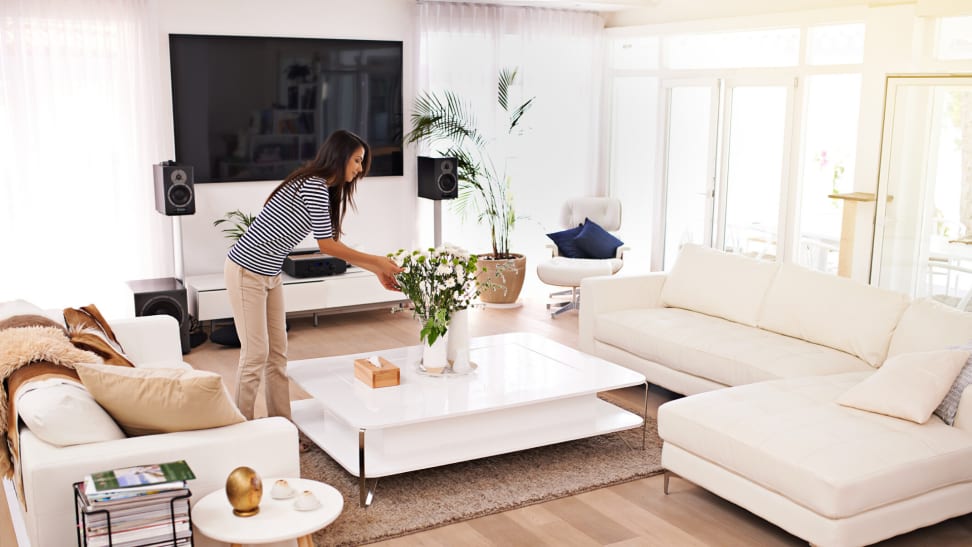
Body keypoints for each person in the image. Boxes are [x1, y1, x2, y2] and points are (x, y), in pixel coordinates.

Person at [224, 129, 402, 420]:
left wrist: (377, 270)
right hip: (246, 271)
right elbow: (327, 245)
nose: (359, 169)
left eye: (361, 163)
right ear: (341, 156)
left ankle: (283, 425)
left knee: (277, 355)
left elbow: (334, 246)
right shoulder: (313, 185)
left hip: (270, 274)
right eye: (357, 161)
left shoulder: (324, 189)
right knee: (256, 354)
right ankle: (239, 428)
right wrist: (378, 262)